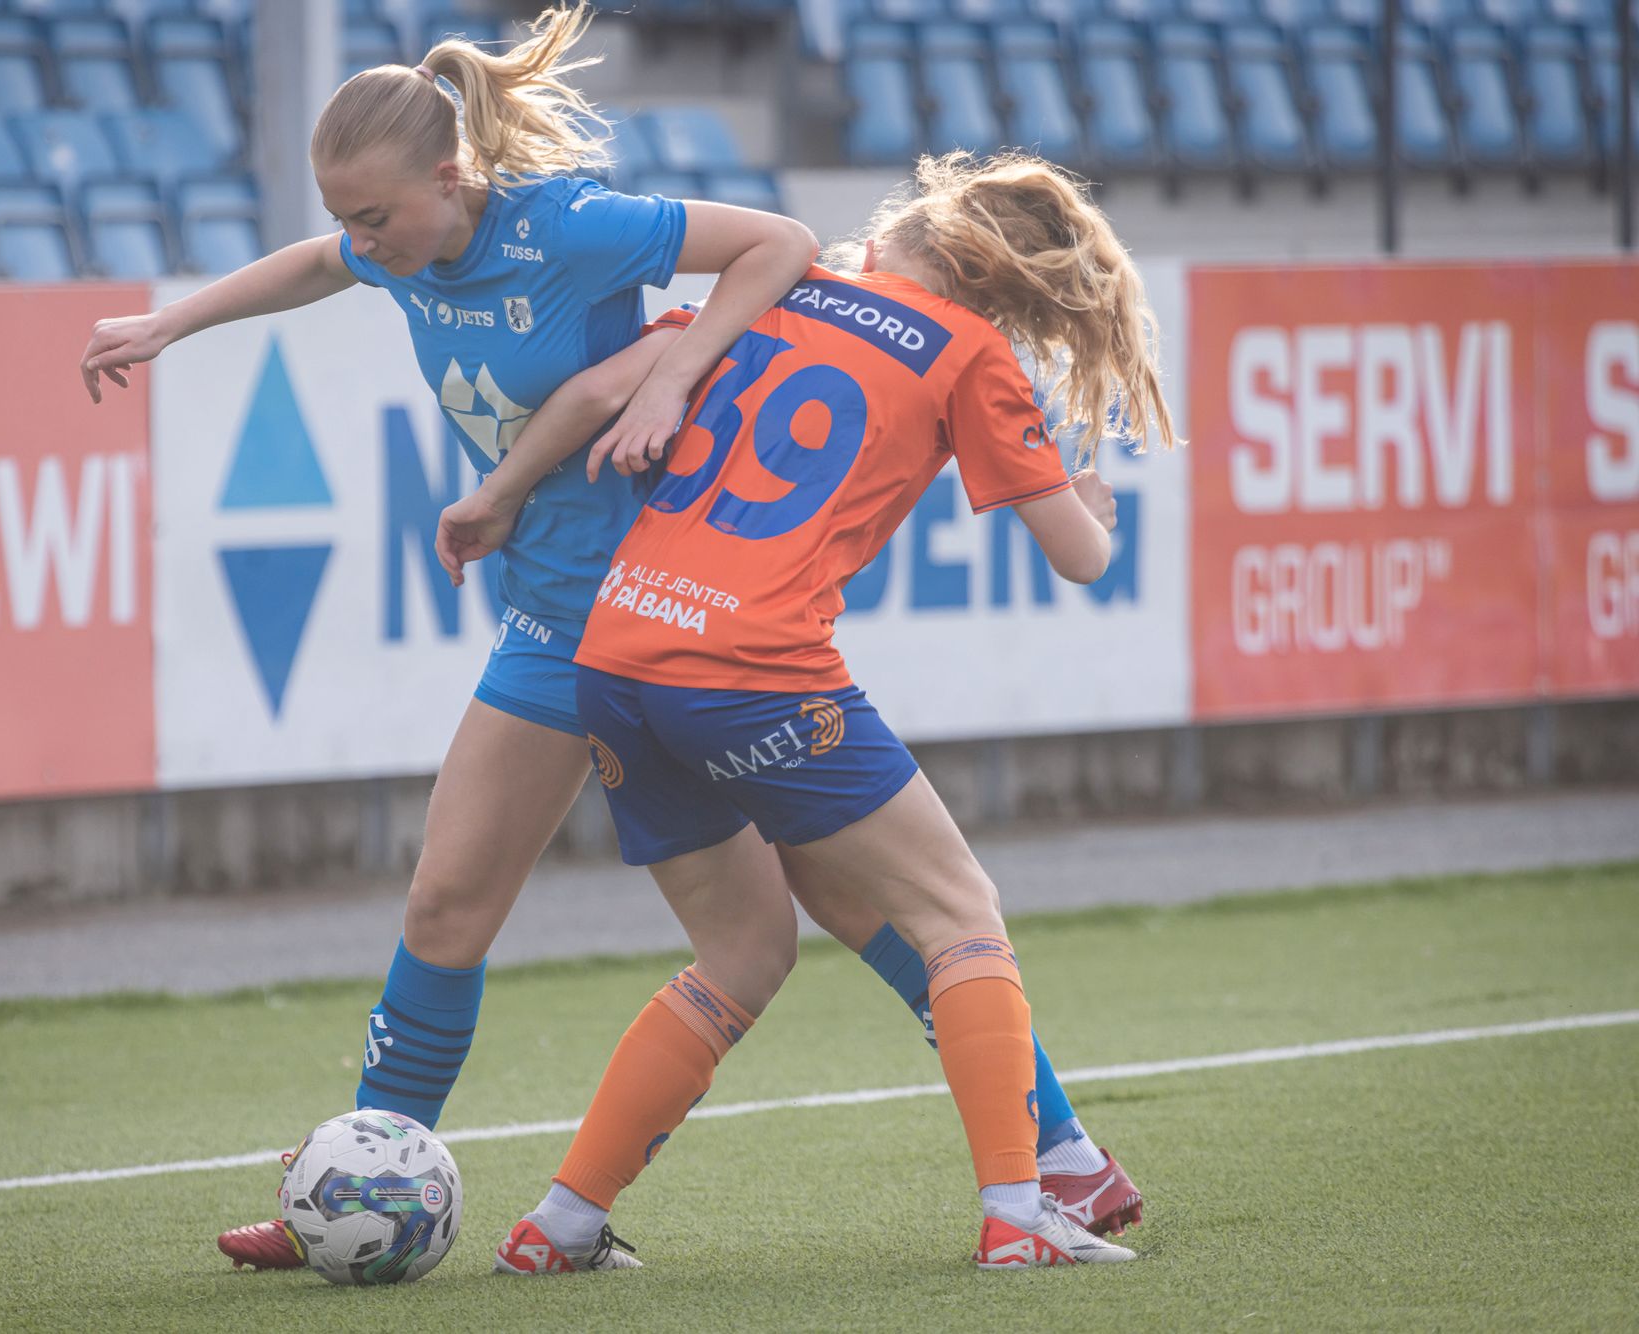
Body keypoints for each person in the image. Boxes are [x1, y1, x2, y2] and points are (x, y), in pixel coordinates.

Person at [82, 4, 1129, 1268]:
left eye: (372, 220)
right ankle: (358, 1192)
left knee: (868, 913)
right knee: (451, 902)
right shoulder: (401, 245)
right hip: (569, 620)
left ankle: (1056, 1153)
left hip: (663, 600)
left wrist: (671, 380)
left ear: (451, 176)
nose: (358, 246)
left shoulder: (570, 224)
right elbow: (322, 269)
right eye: (347, 222)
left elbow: (764, 259)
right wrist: (172, 324)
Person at [448, 150, 1172, 1274]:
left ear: (907, 239)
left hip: (618, 648)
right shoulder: (969, 352)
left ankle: (561, 1222)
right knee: (957, 911)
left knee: (739, 949)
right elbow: (1077, 560)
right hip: (752, 667)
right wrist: (1090, 503)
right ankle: (1020, 1211)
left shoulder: (771, 293)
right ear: (1000, 293)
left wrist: (493, 496)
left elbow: (600, 392)